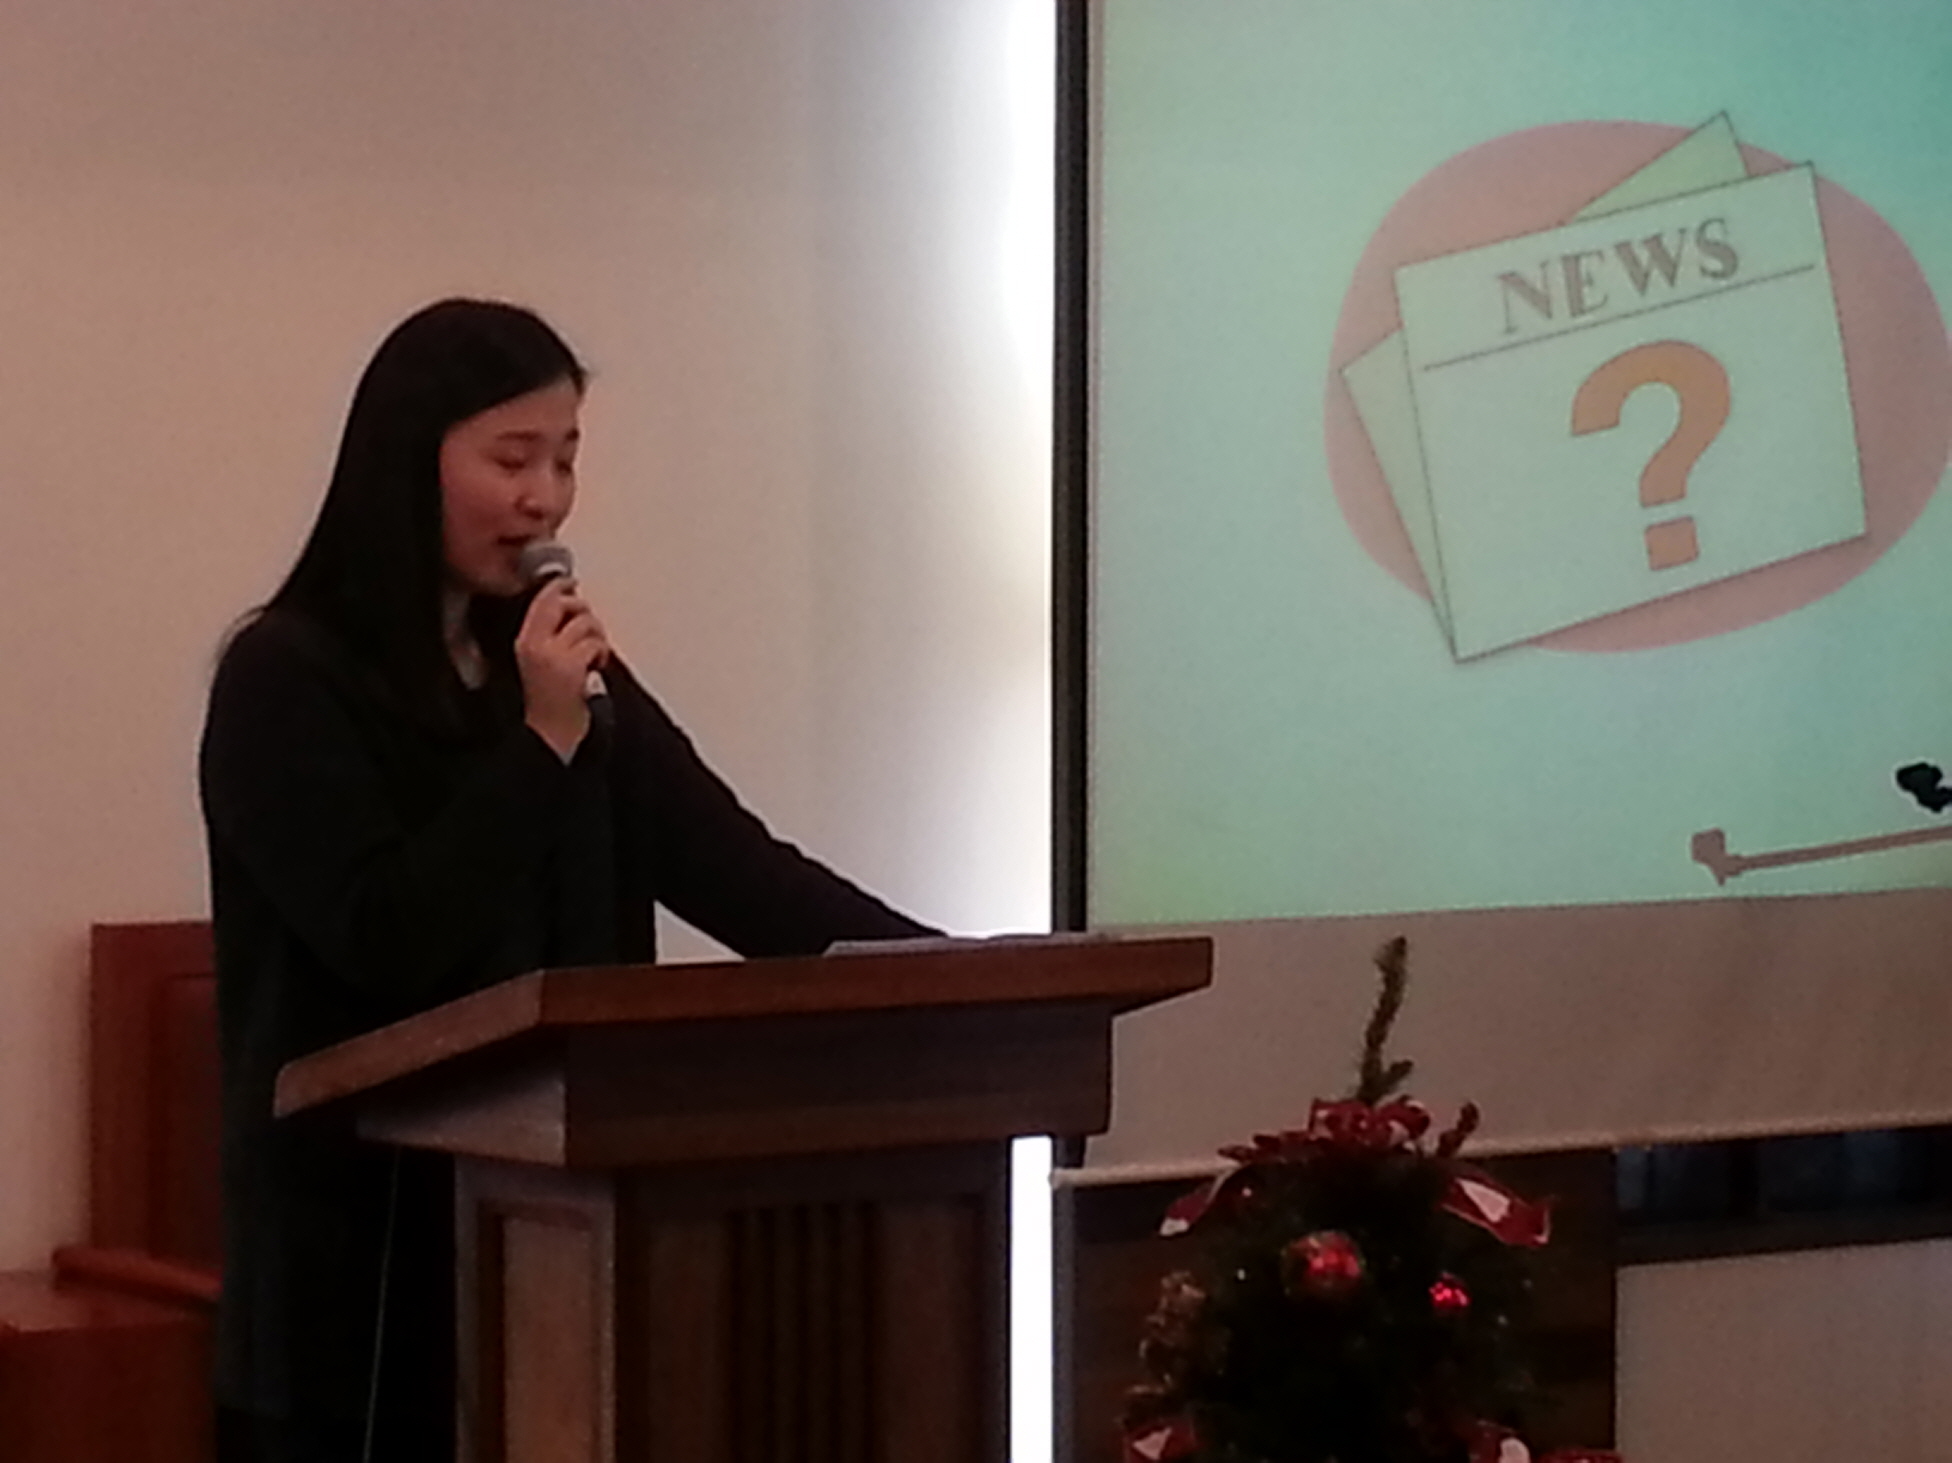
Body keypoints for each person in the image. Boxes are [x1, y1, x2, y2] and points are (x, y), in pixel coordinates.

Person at [199, 298, 936, 1462]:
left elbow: (741, 874)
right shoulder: (285, 677)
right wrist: (540, 740)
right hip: (360, 1291)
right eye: (512, 459)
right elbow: (387, 935)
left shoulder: (556, 673)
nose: (544, 497)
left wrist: (957, 972)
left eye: (565, 458)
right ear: (408, 460)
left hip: (569, 1256)